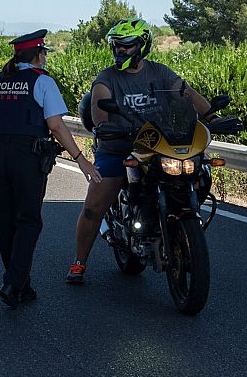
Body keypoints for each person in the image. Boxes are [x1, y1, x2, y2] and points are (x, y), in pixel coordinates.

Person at [65, 17, 216, 285]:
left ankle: (176, 226)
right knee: (93, 206)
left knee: (200, 172)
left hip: (157, 146)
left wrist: (212, 117)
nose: (120, 50)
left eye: (127, 45)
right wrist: (102, 125)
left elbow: (186, 93)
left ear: (142, 45)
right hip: (118, 147)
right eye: (117, 45)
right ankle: (79, 262)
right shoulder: (107, 78)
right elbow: (99, 103)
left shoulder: (160, 72)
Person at [0, 29, 100, 309]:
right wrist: (80, 158)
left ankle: (20, 282)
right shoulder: (42, 82)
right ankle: (12, 283)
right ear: (37, 55)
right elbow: (56, 126)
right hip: (27, 156)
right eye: (44, 53)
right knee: (29, 219)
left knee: (5, 218)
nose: (45, 57)